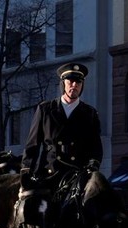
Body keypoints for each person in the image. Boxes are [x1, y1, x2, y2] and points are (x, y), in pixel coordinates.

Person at [21, 62, 102, 191]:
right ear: (63, 83)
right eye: (70, 81)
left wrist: (92, 165)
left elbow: (96, 147)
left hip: (76, 177)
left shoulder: (90, 114)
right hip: (48, 174)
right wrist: (26, 171)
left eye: (78, 82)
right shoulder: (45, 110)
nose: (74, 85)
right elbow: (33, 144)